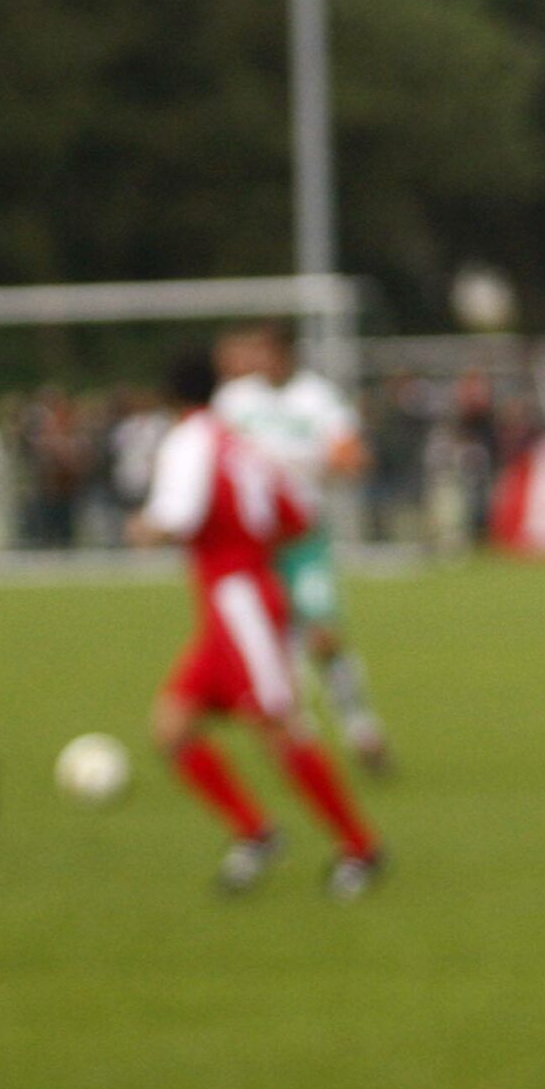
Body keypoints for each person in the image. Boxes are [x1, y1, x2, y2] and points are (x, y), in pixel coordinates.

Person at [131, 349, 385, 900]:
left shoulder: (189, 439)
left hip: (239, 600)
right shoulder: (237, 441)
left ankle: (361, 847)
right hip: (234, 600)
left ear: (170, 398)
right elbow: (296, 514)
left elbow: (178, 517)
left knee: (276, 727)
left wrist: (144, 529)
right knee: (171, 728)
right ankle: (256, 832)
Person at [212, 323, 393, 772]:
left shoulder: (317, 398)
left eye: (267, 352)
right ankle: (300, 744)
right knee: (272, 645)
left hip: (303, 537)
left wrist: (305, 460)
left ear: (286, 354)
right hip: (252, 542)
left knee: (323, 636)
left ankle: (361, 727)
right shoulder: (235, 401)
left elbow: (353, 457)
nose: (259, 361)